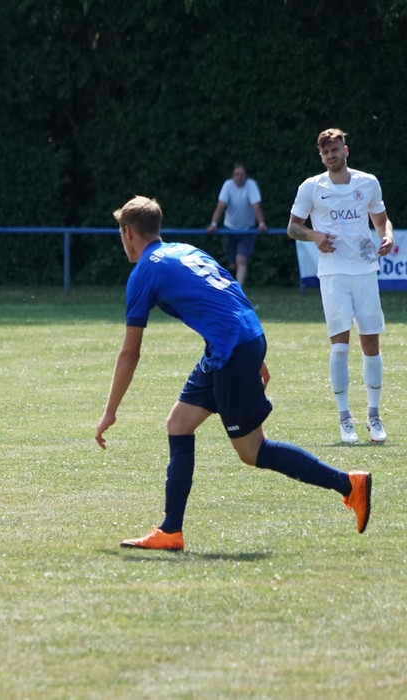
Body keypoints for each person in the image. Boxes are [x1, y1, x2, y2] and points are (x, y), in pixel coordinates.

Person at [94, 195, 371, 551]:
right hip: (236, 341)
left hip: (232, 349)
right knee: (179, 424)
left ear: (128, 232)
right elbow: (230, 293)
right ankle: (170, 531)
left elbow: (129, 352)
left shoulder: (144, 272)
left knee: (253, 451)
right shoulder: (186, 251)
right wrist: (254, 349)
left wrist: (110, 411)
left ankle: (349, 484)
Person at [287, 128, 394, 445]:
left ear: (345, 150)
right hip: (333, 275)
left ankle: (374, 416)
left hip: (365, 271)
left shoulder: (367, 182)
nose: (330, 155)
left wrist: (387, 236)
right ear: (321, 156)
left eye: (335, 150)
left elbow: (381, 221)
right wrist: (314, 236)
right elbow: (293, 227)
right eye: (325, 152)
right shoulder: (311, 187)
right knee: (340, 346)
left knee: (371, 344)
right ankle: (345, 419)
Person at [206, 163, 268, 286]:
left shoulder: (251, 185)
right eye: (237, 174)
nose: (240, 177)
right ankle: (233, 285)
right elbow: (221, 205)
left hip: (247, 230)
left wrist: (261, 224)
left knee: (241, 260)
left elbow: (256, 206)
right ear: (233, 176)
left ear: (246, 175)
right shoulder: (227, 185)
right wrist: (213, 224)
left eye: (242, 174)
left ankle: (238, 290)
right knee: (232, 263)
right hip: (229, 228)